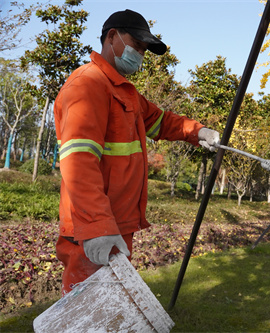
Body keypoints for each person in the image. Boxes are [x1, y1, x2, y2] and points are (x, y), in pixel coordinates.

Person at [54, 9, 220, 294]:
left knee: (110, 311)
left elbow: (160, 122)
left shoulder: (122, 91)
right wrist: (97, 226)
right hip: (94, 227)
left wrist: (198, 132)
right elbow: (78, 162)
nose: (140, 55)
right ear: (111, 37)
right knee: (87, 313)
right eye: (137, 45)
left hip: (115, 223)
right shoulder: (88, 85)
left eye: (144, 50)